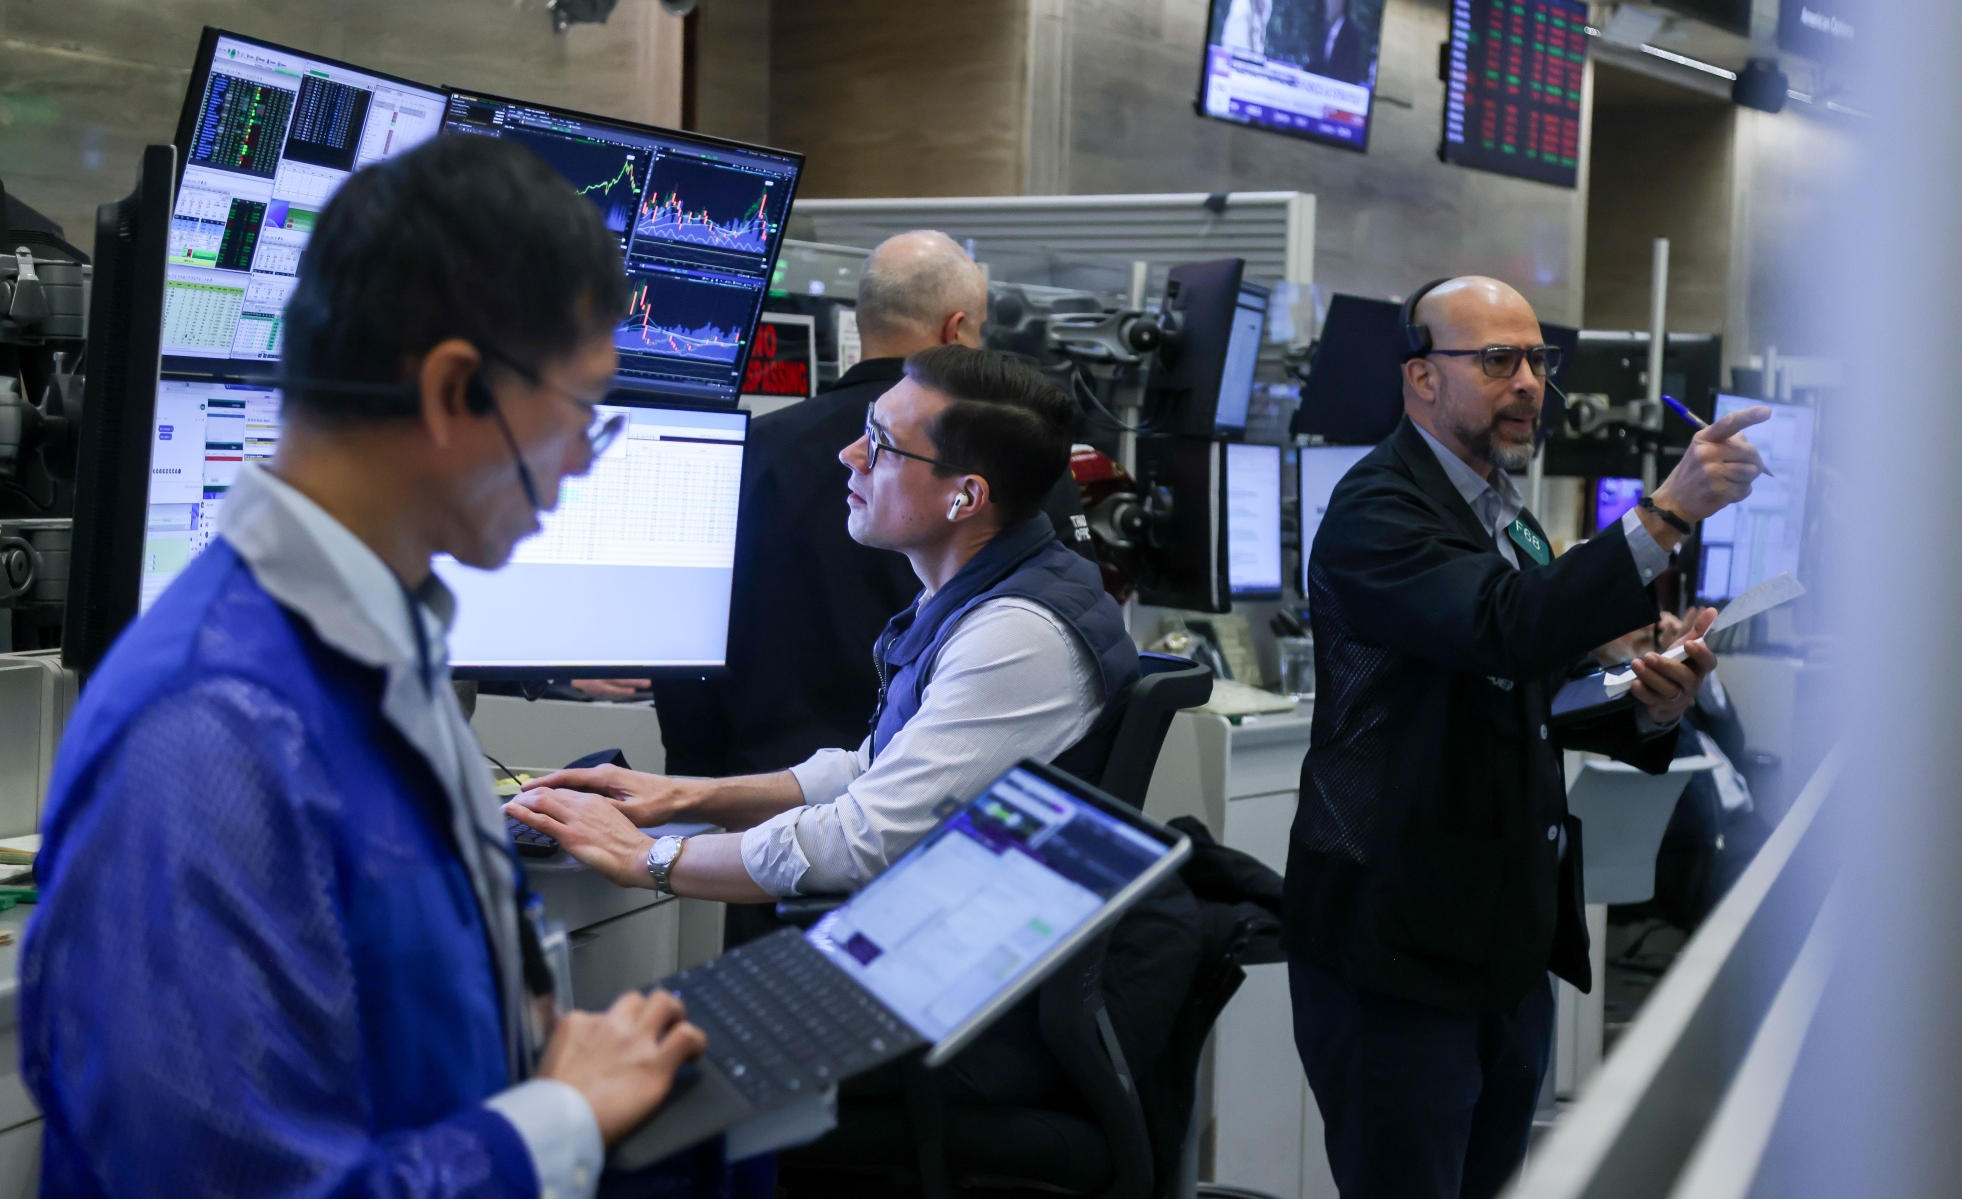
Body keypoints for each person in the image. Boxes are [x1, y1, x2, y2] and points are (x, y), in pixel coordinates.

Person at [19, 134, 745, 1198]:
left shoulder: (385, 645)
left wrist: (546, 1052)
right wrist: (562, 1113)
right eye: (584, 409)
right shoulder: (210, 729)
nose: (586, 456)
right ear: (457, 391)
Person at [1287, 276, 1768, 1199]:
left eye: (1538, 360)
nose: (1529, 383)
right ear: (1421, 378)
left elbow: (1536, 683)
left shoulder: (1500, 506)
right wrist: (1665, 514)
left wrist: (1650, 700)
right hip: (1396, 940)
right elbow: (1500, 625)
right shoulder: (1377, 509)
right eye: (1497, 360)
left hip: (1503, 939)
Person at [506, 345, 1138, 903]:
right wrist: (683, 796)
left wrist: (641, 856)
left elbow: (861, 841)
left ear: (965, 498)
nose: (850, 454)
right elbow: (874, 770)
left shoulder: (1016, 635)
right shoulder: (987, 588)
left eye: (883, 445)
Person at [635, 230, 1095, 781]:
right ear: (955, 331)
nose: (851, 458)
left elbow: (686, 646)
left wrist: (689, 797)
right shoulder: (1012, 465)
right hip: (921, 790)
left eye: (881, 445)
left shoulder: (744, 456)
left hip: (783, 788)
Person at [1306, 0, 1369, 84]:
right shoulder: (1326, 33)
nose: (1326, 1)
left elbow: (1345, 77)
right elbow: (1317, 65)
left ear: (1342, 1)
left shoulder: (1352, 37)